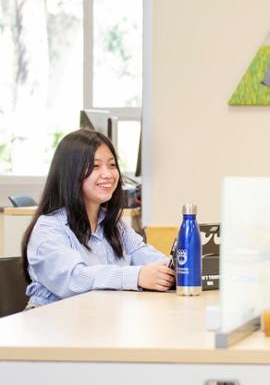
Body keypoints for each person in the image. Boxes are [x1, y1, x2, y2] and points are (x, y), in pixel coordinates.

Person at [21, 129, 174, 308]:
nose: (108, 174)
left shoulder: (113, 225)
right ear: (71, 173)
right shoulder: (48, 228)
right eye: (95, 166)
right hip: (51, 326)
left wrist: (174, 268)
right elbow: (74, 279)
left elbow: (143, 255)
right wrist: (137, 276)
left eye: (112, 165)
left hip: (96, 321)